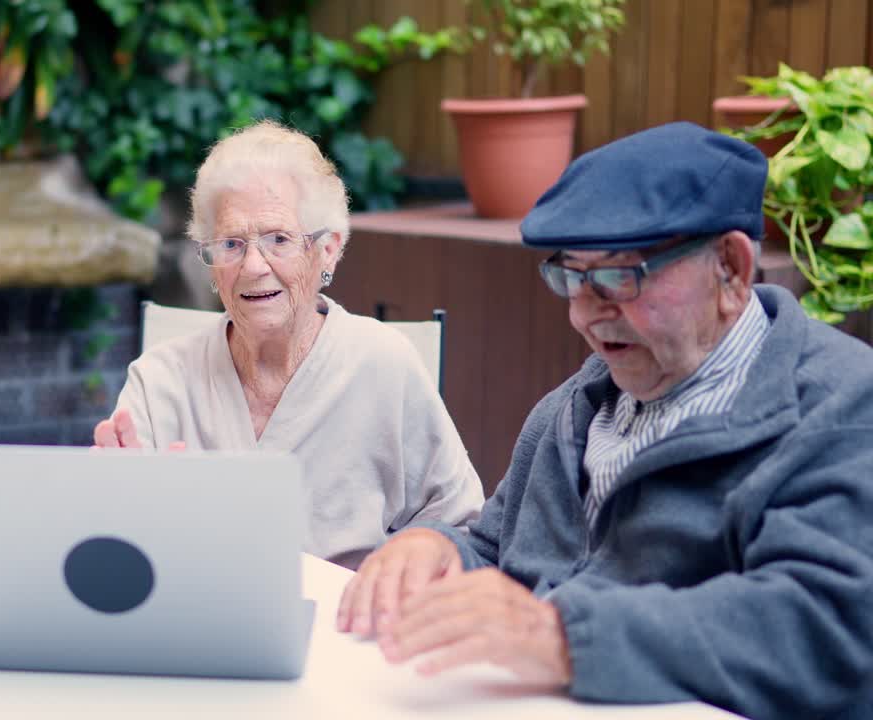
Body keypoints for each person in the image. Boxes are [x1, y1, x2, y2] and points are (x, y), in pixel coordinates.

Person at [335, 122, 873, 720]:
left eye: (620, 277)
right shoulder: (578, 404)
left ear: (731, 267)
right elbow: (497, 547)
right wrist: (436, 547)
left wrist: (566, 637)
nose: (586, 316)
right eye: (572, 278)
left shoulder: (842, 407)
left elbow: (826, 629)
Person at [94, 121, 483, 569]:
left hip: (344, 627)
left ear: (329, 250)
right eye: (231, 244)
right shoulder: (160, 380)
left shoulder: (385, 365)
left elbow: (464, 531)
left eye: (279, 239)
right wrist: (114, 507)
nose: (254, 266)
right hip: (196, 624)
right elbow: (115, 549)